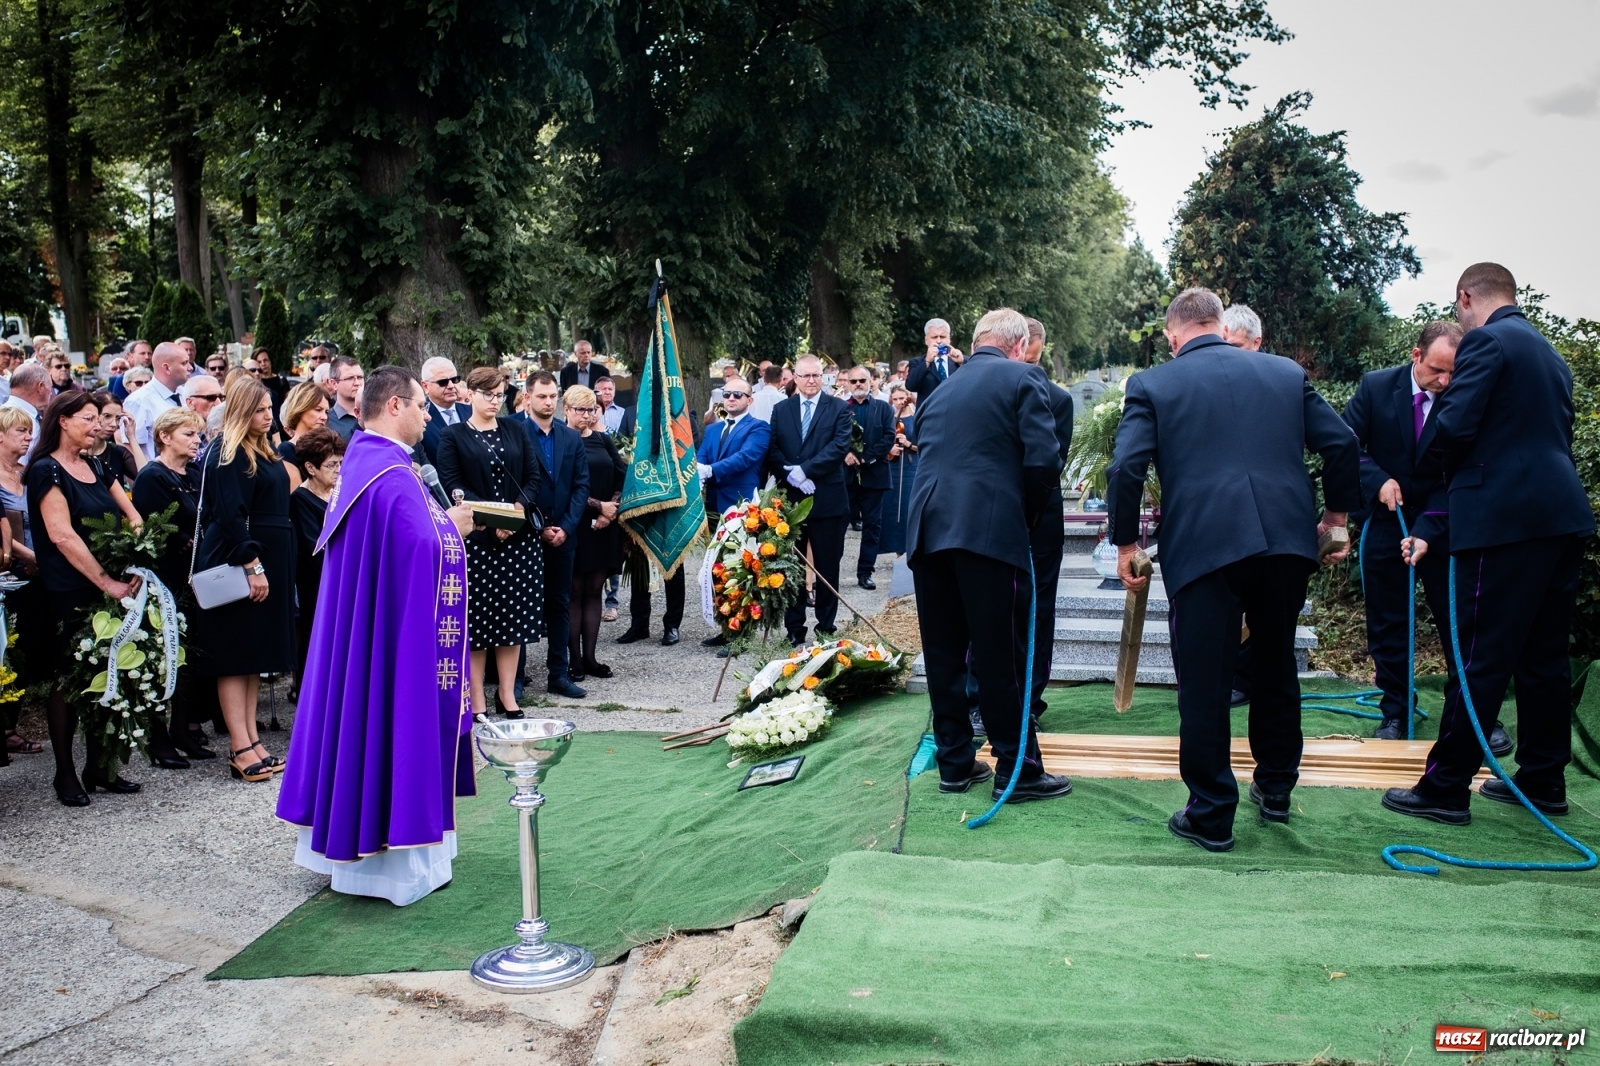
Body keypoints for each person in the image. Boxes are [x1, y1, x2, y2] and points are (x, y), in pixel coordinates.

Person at [1107, 288, 1360, 851]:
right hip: (1286, 543)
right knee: (1274, 665)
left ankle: (1211, 812)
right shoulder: (1283, 374)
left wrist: (1125, 541)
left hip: (1205, 545)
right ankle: (1275, 789)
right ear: (1221, 327)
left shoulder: (1152, 383)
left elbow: (1126, 466)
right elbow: (1341, 442)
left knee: (1205, 679)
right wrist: (1336, 517)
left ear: (1174, 337)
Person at [1387, 263, 1597, 825]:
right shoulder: (1550, 355)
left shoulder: (1485, 341)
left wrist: (1428, 479)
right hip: (1561, 516)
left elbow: (1453, 426)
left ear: (1465, 298)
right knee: (1543, 657)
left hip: (1504, 520)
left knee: (1478, 655)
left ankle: (1445, 786)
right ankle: (1543, 780)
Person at [276, 365, 480, 907]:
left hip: (373, 631)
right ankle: (397, 863)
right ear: (395, 406)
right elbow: (423, 547)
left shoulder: (366, 465)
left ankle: (360, 845)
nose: (424, 416)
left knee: (361, 717)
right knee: (394, 720)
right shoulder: (389, 475)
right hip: (395, 644)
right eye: (419, 405)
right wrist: (453, 529)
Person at [908, 308, 1070, 804]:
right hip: (986, 532)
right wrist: (1024, 518)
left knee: (943, 653)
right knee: (1002, 654)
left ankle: (955, 764)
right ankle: (1017, 771)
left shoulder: (940, 391)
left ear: (976, 342)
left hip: (928, 531)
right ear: (1020, 345)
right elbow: (1044, 461)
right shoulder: (1025, 377)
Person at [1342, 321, 1511, 750]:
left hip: (1444, 525)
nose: (1446, 381)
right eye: (1438, 370)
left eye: (1453, 372)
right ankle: (1395, 710)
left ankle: (1475, 715)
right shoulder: (1376, 387)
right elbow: (1346, 447)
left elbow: (1466, 468)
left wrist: (1427, 529)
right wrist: (1378, 479)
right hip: (1385, 523)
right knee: (1387, 624)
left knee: (1459, 622)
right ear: (1416, 356)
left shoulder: (1464, 396)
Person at [26, 392, 149, 805]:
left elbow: (132, 515)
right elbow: (62, 535)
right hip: (71, 592)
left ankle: (100, 766)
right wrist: (104, 581)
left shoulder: (97, 464)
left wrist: (131, 556)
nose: (97, 425)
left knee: (112, 672)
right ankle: (64, 773)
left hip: (113, 584)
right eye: (88, 418)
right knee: (70, 681)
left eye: (99, 418)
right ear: (62, 420)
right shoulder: (47, 471)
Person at [191, 378, 295, 784]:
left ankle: (251, 739)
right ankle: (238, 745)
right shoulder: (228, 450)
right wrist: (251, 564)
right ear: (240, 412)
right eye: (259, 410)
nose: (268, 416)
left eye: (270, 408)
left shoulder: (263, 449)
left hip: (268, 556)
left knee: (253, 656)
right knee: (235, 656)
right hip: (241, 560)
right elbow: (230, 515)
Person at [438, 366, 546, 717]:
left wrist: (515, 513)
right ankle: (478, 699)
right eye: (488, 394)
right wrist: (493, 518)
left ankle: (507, 694)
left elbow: (533, 476)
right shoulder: (452, 436)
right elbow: (453, 486)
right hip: (479, 541)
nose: (495, 401)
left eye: (500, 394)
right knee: (479, 624)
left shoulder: (515, 428)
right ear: (470, 394)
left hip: (518, 540)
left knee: (513, 622)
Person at [130, 406, 217, 762]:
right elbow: (157, 529)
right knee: (165, 657)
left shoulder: (196, 472)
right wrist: (194, 540)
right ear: (165, 437)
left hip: (197, 577)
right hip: (166, 579)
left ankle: (184, 727)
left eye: (198, 434)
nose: (196, 441)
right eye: (188, 434)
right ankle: (157, 737)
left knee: (190, 657)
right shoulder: (153, 476)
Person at [767, 354, 854, 645]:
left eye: (816, 375)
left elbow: (840, 446)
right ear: (795, 377)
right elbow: (774, 447)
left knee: (828, 566)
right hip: (791, 503)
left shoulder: (839, 408)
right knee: (791, 567)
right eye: (805, 376)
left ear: (823, 377)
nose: (811, 380)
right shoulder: (782, 409)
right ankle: (794, 628)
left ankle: (826, 627)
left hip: (827, 500)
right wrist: (791, 474)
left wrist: (806, 471)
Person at [1011, 317, 1073, 719]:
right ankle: (984, 694)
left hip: (1040, 516)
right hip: (998, 514)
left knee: (1038, 608)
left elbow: (1052, 465)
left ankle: (1030, 698)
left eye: (1032, 362)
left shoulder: (1058, 399)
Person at [516, 371, 590, 693]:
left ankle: (558, 673)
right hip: (523, 534)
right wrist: (537, 526)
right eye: (542, 396)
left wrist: (567, 527)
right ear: (527, 396)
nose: (548, 402)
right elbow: (512, 485)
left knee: (559, 604)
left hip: (563, 535)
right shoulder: (512, 431)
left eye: (552, 396)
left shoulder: (570, 437)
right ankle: (514, 678)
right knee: (518, 605)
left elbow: (580, 485)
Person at [564, 386, 626, 679]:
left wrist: (610, 508)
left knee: (594, 591)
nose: (587, 416)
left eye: (592, 410)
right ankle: (573, 660)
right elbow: (563, 486)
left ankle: (590, 657)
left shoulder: (603, 440)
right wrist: (597, 507)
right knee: (574, 592)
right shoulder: (561, 441)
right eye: (581, 410)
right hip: (575, 525)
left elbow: (621, 475)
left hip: (604, 528)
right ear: (566, 409)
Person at [288, 428, 345, 698]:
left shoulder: (341, 492)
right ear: (310, 467)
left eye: (342, 463)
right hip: (319, 585)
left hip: (346, 581)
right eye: (332, 465)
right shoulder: (300, 500)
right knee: (318, 642)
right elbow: (315, 548)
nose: (338, 469)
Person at [0, 407, 42, 759]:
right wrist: (29, 556)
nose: (29, 437)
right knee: (7, 649)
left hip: (36, 572)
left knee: (25, 651)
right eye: (20, 431)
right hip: (11, 572)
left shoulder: (26, 473)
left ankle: (10, 726)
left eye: (30, 431)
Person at [841, 366, 895, 589]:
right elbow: (832, 435)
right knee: (838, 526)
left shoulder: (883, 408)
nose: (858, 385)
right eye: (853, 381)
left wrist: (865, 458)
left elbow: (888, 437)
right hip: (846, 477)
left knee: (872, 526)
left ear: (871, 381)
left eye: (862, 380)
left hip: (874, 475)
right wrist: (846, 454)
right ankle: (831, 572)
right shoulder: (841, 408)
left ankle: (865, 572)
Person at [124, 342, 192, 456]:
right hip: (156, 471)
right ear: (166, 368)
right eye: (184, 363)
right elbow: (131, 449)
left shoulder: (185, 394)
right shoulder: (139, 401)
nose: (190, 368)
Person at [879, 386, 919, 557]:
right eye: (895, 399)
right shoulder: (889, 418)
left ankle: (908, 548)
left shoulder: (916, 418)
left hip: (910, 466)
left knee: (908, 507)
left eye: (902, 398)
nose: (899, 402)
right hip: (892, 465)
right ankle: (893, 547)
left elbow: (924, 445)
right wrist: (890, 448)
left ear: (908, 397)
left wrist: (908, 444)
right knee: (890, 507)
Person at [84, 390, 146, 490]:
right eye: (107, 416)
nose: (114, 424)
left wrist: (132, 438)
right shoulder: (76, 453)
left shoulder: (118, 453)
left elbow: (146, 477)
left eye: (117, 418)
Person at [418, 356, 472, 466]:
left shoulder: (472, 412)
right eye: (443, 382)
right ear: (425, 386)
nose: (451, 386)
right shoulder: (419, 418)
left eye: (454, 380)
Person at [276, 380, 331, 485]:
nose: (324, 417)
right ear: (300, 410)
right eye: (318, 410)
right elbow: (296, 495)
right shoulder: (287, 450)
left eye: (326, 412)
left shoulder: (327, 447)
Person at [904, 317, 964, 402]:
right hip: (930, 413)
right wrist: (927, 361)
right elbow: (911, 386)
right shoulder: (917, 362)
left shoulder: (960, 360)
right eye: (934, 337)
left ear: (949, 339)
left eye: (942, 337)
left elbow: (974, 382)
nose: (939, 341)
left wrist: (962, 363)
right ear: (926, 340)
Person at [3, 363, 50, 457]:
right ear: (40, 387)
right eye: (50, 387)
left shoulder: (4, 412)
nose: (50, 392)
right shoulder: (17, 419)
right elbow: (17, 464)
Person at [325, 356, 364, 440]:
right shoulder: (326, 421)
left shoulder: (375, 416)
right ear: (334, 384)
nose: (357, 383)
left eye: (360, 377)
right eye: (350, 378)